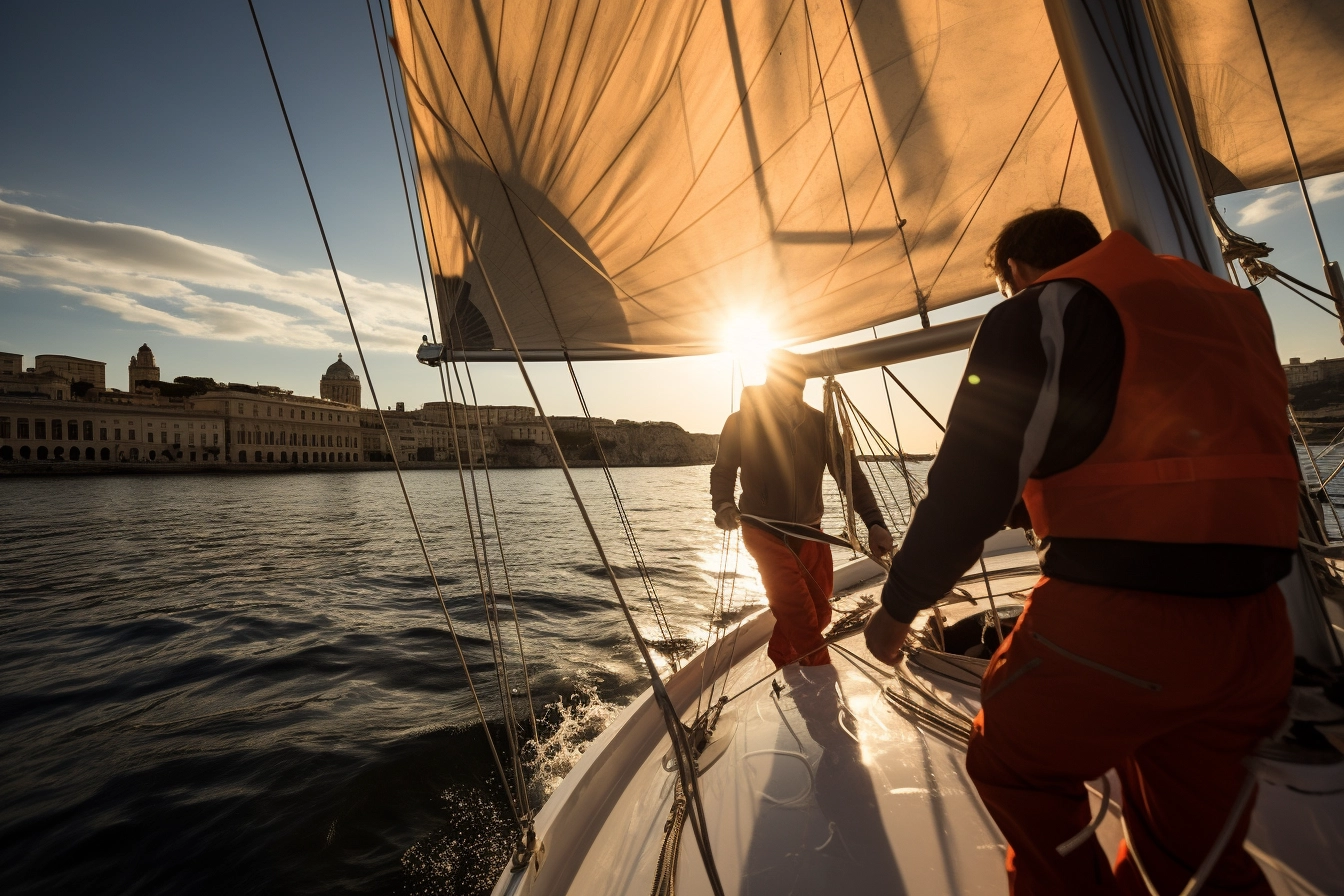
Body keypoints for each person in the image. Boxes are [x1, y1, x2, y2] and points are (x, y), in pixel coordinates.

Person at [864, 207, 1299, 895]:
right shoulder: (1227, 307)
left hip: (1122, 627)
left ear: (1016, 272)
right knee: (1193, 851)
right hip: (1260, 631)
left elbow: (972, 481)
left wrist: (898, 608)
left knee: (1014, 762)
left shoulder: (1044, 308)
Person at [712, 350, 894, 668]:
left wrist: (874, 522)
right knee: (798, 610)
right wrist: (724, 504)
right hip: (762, 529)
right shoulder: (741, 421)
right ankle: (821, 675)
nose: (790, 384)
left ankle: (781, 655)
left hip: (810, 530)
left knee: (822, 611)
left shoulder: (821, 424)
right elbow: (723, 470)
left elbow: (849, 476)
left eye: (796, 378)